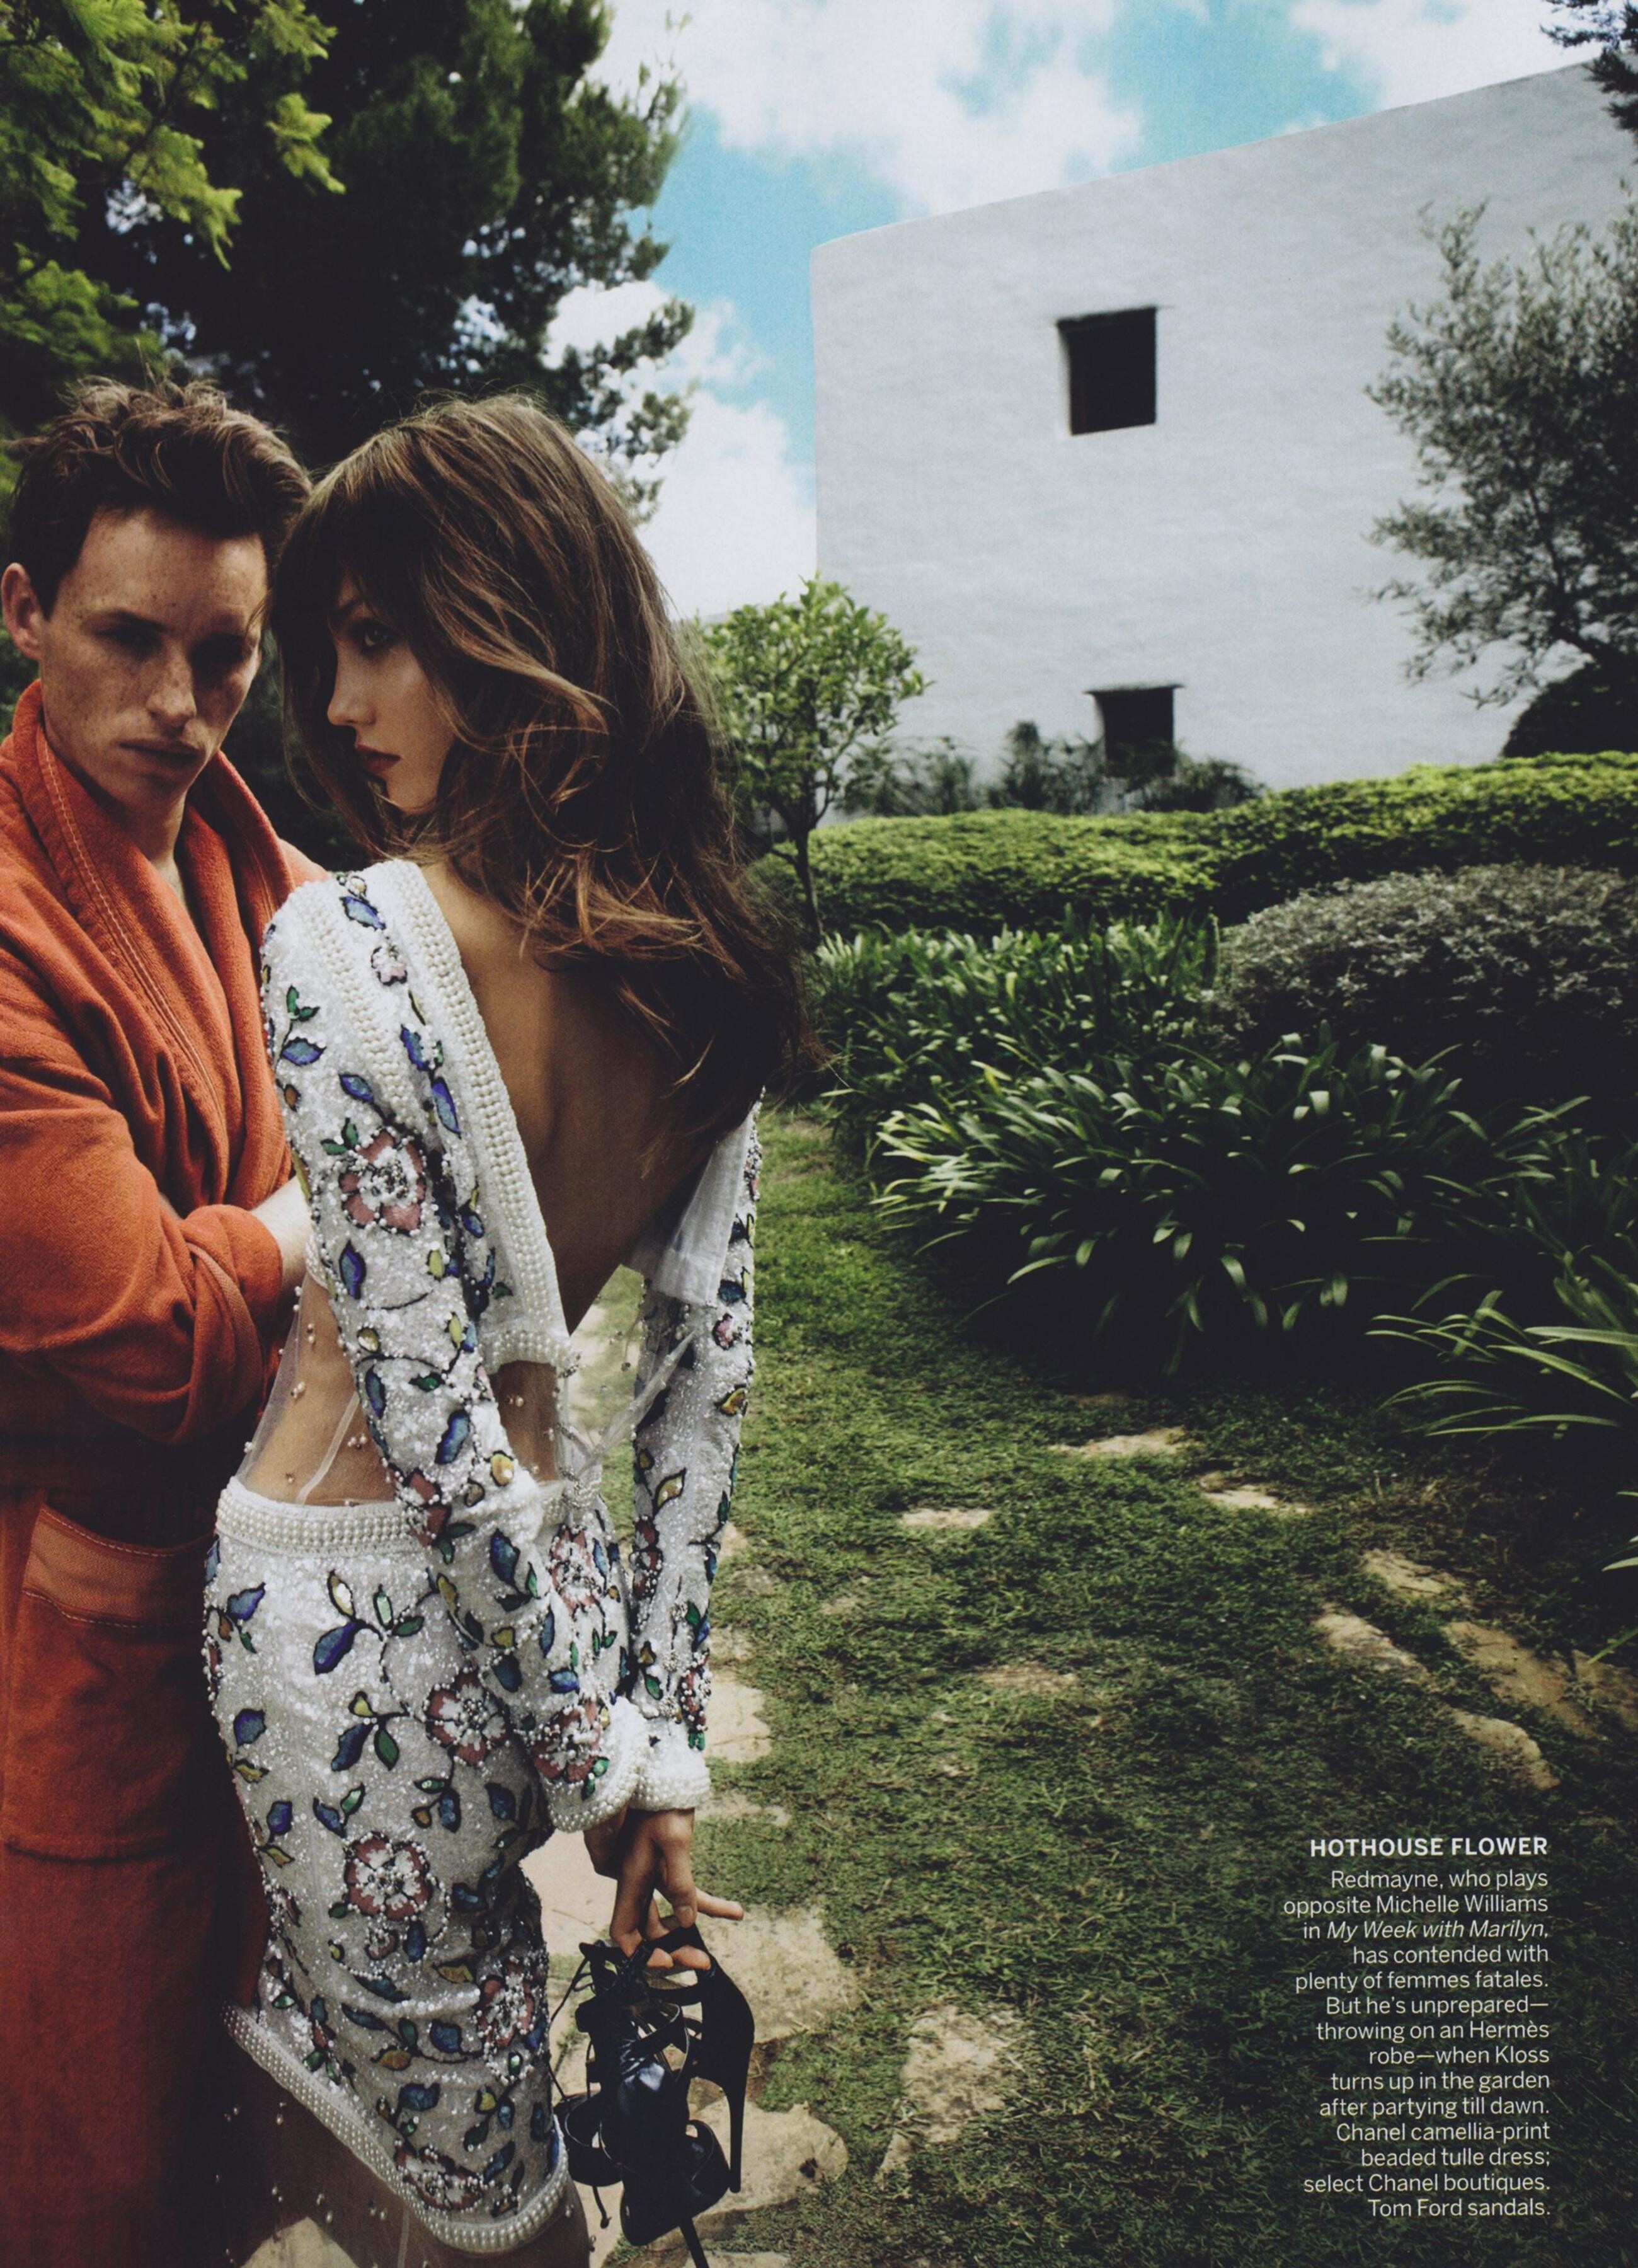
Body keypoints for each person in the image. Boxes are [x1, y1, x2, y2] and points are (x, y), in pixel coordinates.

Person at [203, 394, 805, 2264]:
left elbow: (434, 1418)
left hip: (338, 1648)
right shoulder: (708, 976)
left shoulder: (350, 941)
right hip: (556, 1654)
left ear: (510, 615)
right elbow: (700, 1400)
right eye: (327, 654)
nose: (340, 704)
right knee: (447, 2089)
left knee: (468, 2185)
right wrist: (646, 1747)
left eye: (380, 640)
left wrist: (618, 1767)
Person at [0, 380, 324, 2268]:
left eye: (227, 655)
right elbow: (144, 1339)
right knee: (86, 2162)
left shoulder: (267, 876)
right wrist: (306, 1220)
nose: (182, 705)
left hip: (274, 1618)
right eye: (130, 639)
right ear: (25, 611)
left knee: (240, 2147)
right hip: (80, 1629)